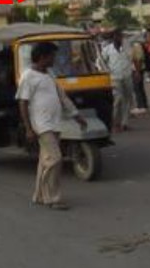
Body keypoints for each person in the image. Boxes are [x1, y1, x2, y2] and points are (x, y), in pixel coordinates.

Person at [17, 41, 87, 210]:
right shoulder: (28, 76)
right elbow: (23, 103)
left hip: (55, 123)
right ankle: (53, 198)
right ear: (42, 57)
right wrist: (28, 128)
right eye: (52, 56)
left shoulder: (50, 75)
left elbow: (63, 98)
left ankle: (40, 195)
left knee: (45, 161)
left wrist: (77, 115)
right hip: (42, 125)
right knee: (55, 159)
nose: (54, 59)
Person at [102, 30, 134, 132]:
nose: (119, 39)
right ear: (113, 38)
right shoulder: (107, 49)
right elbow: (101, 62)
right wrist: (106, 71)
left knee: (127, 99)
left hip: (127, 76)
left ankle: (124, 123)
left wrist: (136, 72)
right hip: (114, 77)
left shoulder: (127, 48)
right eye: (117, 37)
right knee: (118, 99)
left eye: (120, 37)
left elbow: (133, 59)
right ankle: (115, 123)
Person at [130, 34, 150, 112]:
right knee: (139, 87)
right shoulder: (138, 45)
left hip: (137, 69)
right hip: (137, 69)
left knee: (137, 88)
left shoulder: (136, 46)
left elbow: (138, 59)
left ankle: (140, 106)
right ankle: (144, 105)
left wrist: (137, 72)